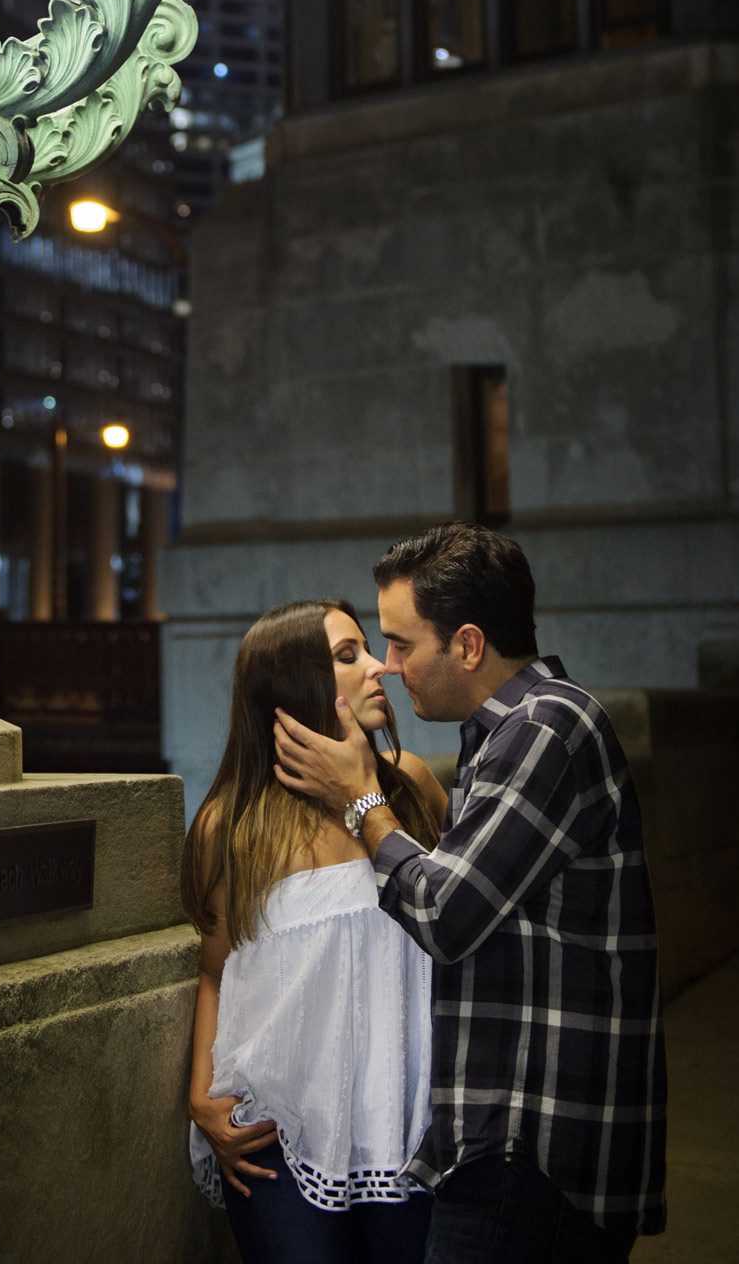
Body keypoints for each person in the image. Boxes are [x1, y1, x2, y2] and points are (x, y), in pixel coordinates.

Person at [272, 524, 666, 1264]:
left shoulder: (547, 725)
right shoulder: (499, 734)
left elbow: (443, 915)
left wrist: (361, 802)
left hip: (533, 1147)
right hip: (508, 1141)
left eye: (400, 643)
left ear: (469, 645)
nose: (388, 667)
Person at [183, 599, 449, 1264]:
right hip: (276, 1128)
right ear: (293, 687)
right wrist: (199, 1094)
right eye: (347, 655)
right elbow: (216, 969)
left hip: (407, 1122)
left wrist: (368, 803)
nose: (378, 668)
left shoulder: (411, 788)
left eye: (367, 648)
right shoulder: (232, 825)